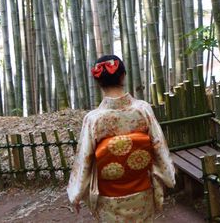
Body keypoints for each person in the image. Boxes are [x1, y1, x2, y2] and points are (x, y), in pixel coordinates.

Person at [67, 55, 176, 222]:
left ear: (98, 83)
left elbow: (84, 160)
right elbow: (158, 146)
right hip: (142, 192)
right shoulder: (142, 110)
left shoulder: (93, 119)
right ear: (123, 75)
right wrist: (168, 176)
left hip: (109, 198)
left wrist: (76, 193)